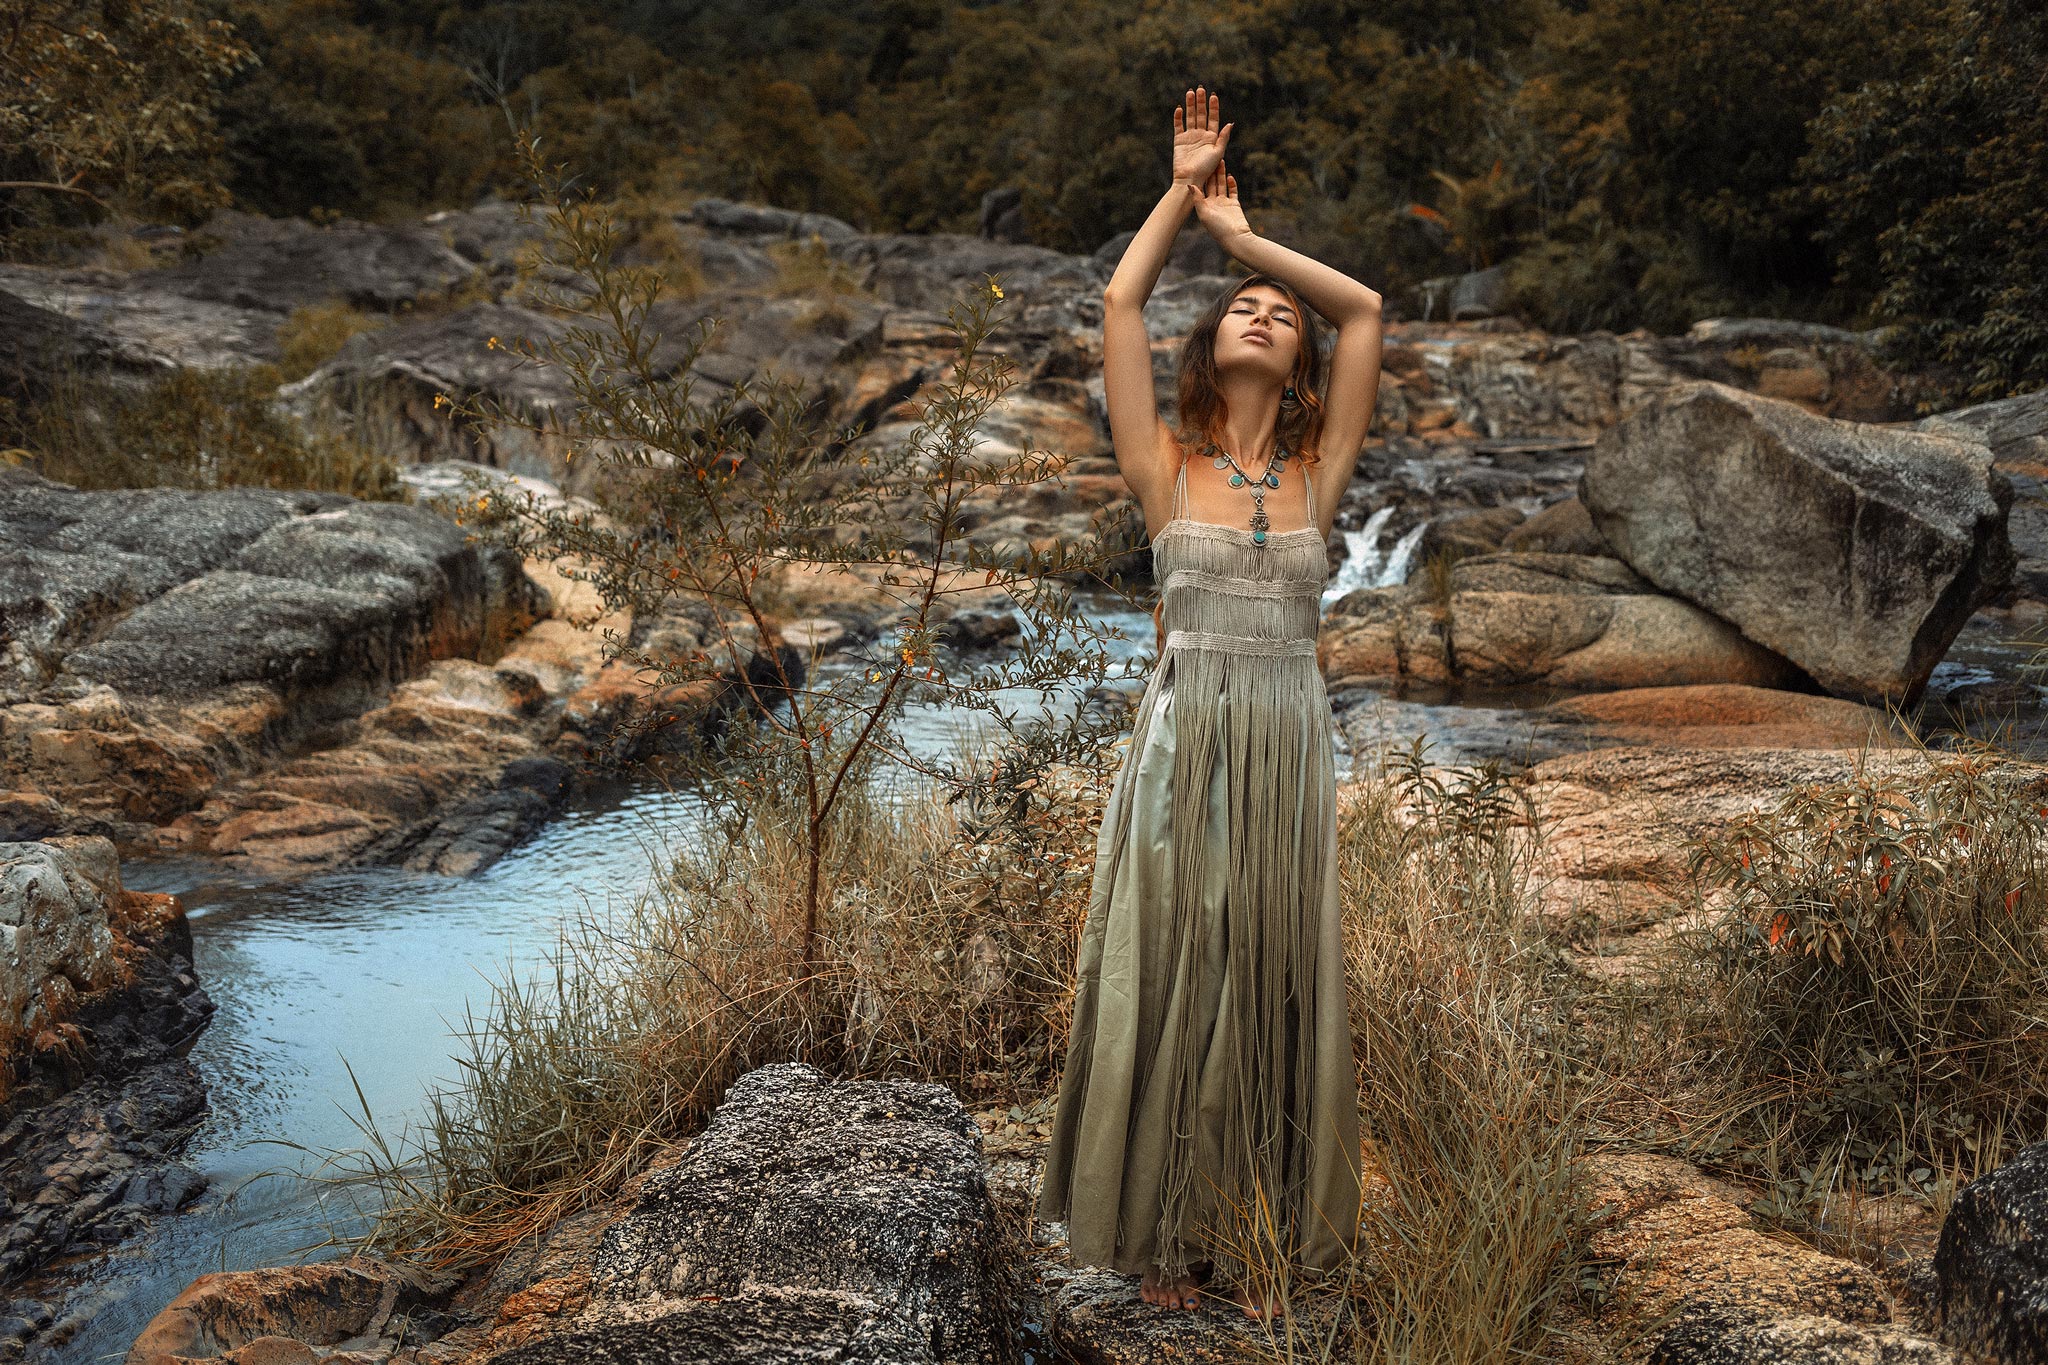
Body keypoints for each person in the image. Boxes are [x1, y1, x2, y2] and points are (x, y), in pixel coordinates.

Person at [1035, 85, 1384, 1318]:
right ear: (1210, 347)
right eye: (1241, 304)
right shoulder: (1163, 468)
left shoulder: (1318, 472)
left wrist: (1245, 241)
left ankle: (1262, 1235)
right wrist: (1180, 194)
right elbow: (1119, 304)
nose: (1262, 313)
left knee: (1274, 973)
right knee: (1176, 968)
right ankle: (1166, 1239)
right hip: (1183, 743)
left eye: (1276, 314)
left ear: (1299, 364)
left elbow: (1363, 308)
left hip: (1288, 740)